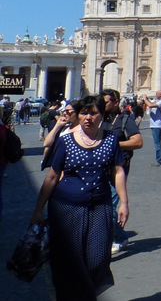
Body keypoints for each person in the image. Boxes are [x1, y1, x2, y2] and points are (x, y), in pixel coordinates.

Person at [29, 95, 129, 301]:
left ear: (102, 115)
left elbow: (118, 171)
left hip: (100, 206)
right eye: (84, 113)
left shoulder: (110, 140)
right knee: (68, 261)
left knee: (98, 258)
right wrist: (39, 209)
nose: (88, 118)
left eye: (93, 113)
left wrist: (124, 202)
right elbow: (52, 176)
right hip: (66, 207)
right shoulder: (66, 141)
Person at [101, 89, 143, 254]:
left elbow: (138, 142)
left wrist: (114, 145)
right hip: (100, 168)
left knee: (109, 206)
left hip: (118, 169)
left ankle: (119, 237)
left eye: (105, 102)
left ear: (116, 102)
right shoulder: (99, 119)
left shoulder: (125, 119)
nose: (102, 105)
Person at [143, 90, 161, 166]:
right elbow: (150, 102)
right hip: (155, 124)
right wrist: (147, 99)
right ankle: (159, 159)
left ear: (160, 95)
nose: (155, 94)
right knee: (157, 143)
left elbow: (150, 105)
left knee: (157, 143)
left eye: (156, 93)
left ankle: (159, 160)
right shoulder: (158, 100)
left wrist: (145, 99)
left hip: (157, 125)